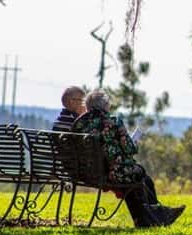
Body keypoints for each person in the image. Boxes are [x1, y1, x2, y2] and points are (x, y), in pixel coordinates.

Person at [71, 89, 185, 227]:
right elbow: (130, 149)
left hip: (86, 173)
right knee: (141, 175)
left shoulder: (78, 125)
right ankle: (156, 216)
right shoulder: (112, 121)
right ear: (104, 105)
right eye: (108, 104)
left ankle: (147, 219)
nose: (109, 107)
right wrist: (133, 142)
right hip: (111, 173)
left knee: (134, 180)